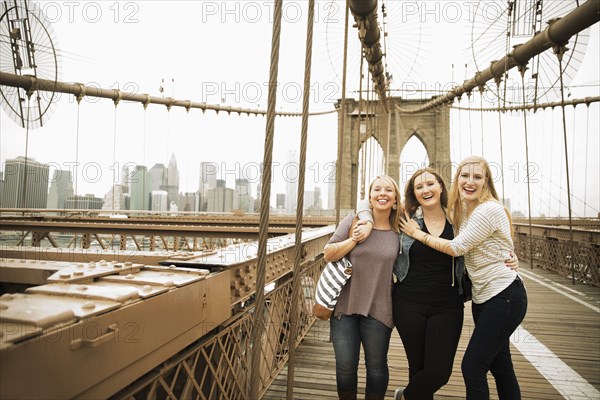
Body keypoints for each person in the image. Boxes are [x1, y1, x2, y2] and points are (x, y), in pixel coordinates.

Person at [398, 156, 527, 400]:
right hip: (461, 300)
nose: (470, 181)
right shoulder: (457, 215)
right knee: (500, 367)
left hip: (488, 297)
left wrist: (417, 234)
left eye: (477, 177)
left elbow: (459, 247)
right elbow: (375, 207)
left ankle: (405, 396)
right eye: (465, 176)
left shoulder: (464, 216)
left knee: (464, 368)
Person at [355, 168, 466, 400]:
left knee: (439, 372)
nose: (425, 190)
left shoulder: (458, 218)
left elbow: (483, 234)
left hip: (447, 304)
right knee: (418, 369)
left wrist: (507, 256)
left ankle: (404, 396)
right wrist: (366, 220)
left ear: (441, 187)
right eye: (419, 187)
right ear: (413, 193)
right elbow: (370, 202)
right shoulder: (405, 218)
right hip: (409, 303)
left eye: (430, 184)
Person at [323, 175, 401, 400]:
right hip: (344, 307)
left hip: (379, 309)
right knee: (346, 368)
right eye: (377, 189)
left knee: (376, 368)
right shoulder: (353, 220)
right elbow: (328, 253)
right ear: (370, 197)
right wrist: (356, 238)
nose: (382, 193)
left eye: (388, 190)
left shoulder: (401, 229)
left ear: (395, 199)